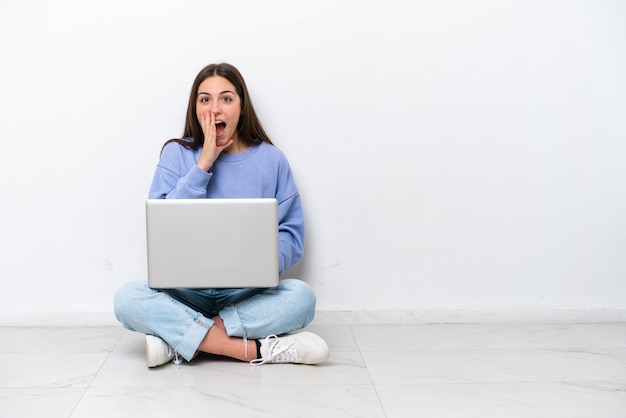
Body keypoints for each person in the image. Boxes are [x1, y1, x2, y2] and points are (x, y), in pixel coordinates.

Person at [113, 63, 329, 368]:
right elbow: (164, 227)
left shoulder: (272, 159)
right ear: (195, 108)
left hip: (244, 294)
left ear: (241, 106)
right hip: (185, 293)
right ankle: (254, 351)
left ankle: (181, 340)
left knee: (302, 298)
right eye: (205, 100)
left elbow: (291, 236)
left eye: (226, 98)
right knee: (127, 298)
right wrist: (204, 163)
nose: (215, 109)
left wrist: (259, 262)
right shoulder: (176, 155)